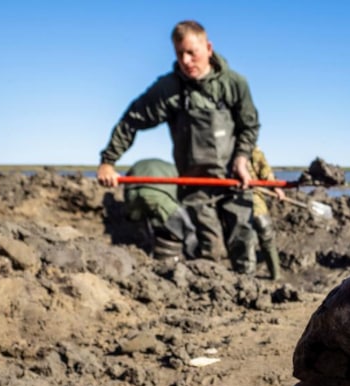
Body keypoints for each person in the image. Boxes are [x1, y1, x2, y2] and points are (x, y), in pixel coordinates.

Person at [97, 20, 260, 274]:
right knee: (209, 246)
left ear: (208, 48)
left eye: (191, 52)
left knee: (243, 239)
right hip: (195, 184)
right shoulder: (169, 89)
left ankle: (250, 297)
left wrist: (241, 158)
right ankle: (209, 300)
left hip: (233, 179)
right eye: (179, 54)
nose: (185, 60)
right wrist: (108, 161)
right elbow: (131, 121)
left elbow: (249, 127)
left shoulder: (235, 84)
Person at [122, 158, 192, 257]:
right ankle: (194, 256)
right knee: (188, 227)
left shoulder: (139, 164)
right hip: (157, 194)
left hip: (132, 194)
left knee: (143, 224)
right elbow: (181, 195)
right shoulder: (175, 169)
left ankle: (143, 252)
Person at [248, 146, 285, 281]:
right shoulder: (250, 149)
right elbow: (265, 171)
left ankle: (273, 276)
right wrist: (275, 187)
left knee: (255, 238)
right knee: (260, 239)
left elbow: (264, 171)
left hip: (251, 200)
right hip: (249, 201)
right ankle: (251, 279)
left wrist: (275, 187)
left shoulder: (247, 149)